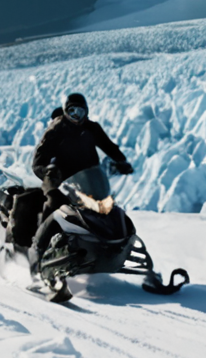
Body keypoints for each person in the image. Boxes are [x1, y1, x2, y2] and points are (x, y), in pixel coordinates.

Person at [9, 93, 134, 251]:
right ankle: (39, 248)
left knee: (108, 208)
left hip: (87, 181)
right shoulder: (56, 129)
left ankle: (115, 245)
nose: (76, 116)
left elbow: (109, 146)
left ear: (86, 112)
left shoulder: (92, 128)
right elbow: (38, 162)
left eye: (80, 111)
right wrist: (48, 171)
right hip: (59, 179)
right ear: (65, 112)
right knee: (54, 204)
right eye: (72, 111)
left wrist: (121, 161)